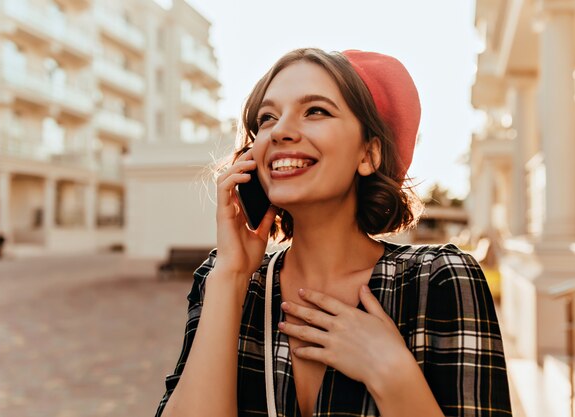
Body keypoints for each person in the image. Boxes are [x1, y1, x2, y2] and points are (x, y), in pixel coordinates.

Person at [154, 48, 512, 417]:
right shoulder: (223, 281)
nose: (280, 131)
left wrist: (392, 374)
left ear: (368, 154)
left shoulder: (438, 279)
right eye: (267, 118)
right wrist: (230, 276)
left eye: (316, 111)